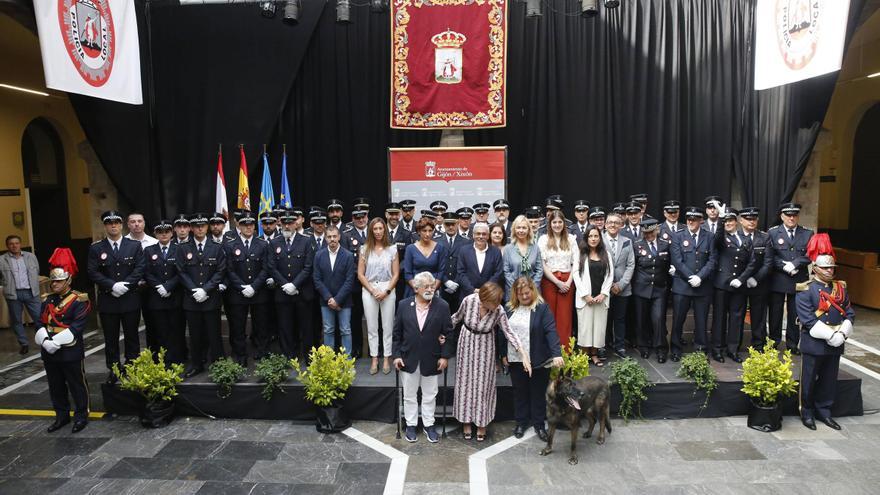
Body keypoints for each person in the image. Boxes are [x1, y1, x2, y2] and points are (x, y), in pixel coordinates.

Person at [452, 282, 530, 441]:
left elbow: (509, 332)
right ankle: (466, 421)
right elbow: (455, 318)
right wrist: (440, 333)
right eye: (494, 303)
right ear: (484, 299)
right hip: (466, 341)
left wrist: (523, 355)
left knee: (483, 384)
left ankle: (481, 423)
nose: (497, 306)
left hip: (486, 345)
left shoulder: (499, 311)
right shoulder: (469, 301)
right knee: (464, 382)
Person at [795, 246, 853, 431]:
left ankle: (824, 411)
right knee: (809, 380)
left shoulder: (840, 289)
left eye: (832, 267)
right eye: (826, 268)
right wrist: (830, 336)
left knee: (829, 380)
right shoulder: (806, 290)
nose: (830, 270)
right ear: (815, 269)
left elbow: (849, 313)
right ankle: (807, 412)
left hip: (836, 342)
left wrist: (842, 334)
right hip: (814, 343)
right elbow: (808, 320)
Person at [392, 271, 453, 443]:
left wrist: (445, 356)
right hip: (408, 357)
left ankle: (429, 424)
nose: (430, 289)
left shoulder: (442, 306)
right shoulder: (404, 305)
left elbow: (448, 333)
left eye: (432, 286)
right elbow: (397, 334)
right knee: (409, 394)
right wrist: (396, 355)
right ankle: (411, 425)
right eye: (426, 286)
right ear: (416, 288)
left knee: (430, 394)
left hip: (432, 358)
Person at [502, 276, 563, 440]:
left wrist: (556, 353)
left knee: (537, 393)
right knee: (520, 392)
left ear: (533, 291)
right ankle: (521, 423)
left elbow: (551, 331)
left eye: (527, 293)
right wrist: (503, 355)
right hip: (516, 359)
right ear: (515, 294)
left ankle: (538, 424)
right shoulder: (508, 309)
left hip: (538, 359)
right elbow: (503, 333)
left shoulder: (542, 308)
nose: (524, 297)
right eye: (520, 294)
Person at [87, 210, 145, 384]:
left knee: (132, 336)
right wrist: (111, 285)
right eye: (109, 223)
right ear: (105, 225)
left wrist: (125, 285)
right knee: (111, 338)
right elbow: (92, 271)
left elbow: (140, 268)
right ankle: (113, 368)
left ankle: (132, 365)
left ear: (121, 225)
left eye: (116, 222)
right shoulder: (96, 248)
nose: (113, 225)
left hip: (129, 298)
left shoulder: (133, 246)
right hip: (108, 299)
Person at [35, 266, 91, 433]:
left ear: (68, 281)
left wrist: (56, 342)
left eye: (59, 281)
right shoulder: (47, 300)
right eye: (53, 281)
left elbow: (77, 326)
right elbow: (40, 322)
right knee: (55, 385)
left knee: (77, 384)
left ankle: (81, 416)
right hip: (48, 349)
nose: (55, 284)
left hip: (69, 349)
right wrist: (45, 341)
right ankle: (62, 416)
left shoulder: (79, 300)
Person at [176, 213, 227, 377]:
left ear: (207, 227)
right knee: (195, 334)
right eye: (196, 226)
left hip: (211, 298)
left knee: (214, 334)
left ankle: (218, 364)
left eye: (203, 225)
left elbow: (220, 271)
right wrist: (194, 290)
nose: (199, 228)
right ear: (191, 228)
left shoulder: (217, 247)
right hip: (191, 299)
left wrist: (205, 290)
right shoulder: (183, 248)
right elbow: (181, 271)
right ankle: (196, 364)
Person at [669, 207, 717, 361]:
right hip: (682, 285)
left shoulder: (709, 236)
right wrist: (691, 277)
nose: (691, 222)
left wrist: (700, 277)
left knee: (702, 320)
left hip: (703, 286)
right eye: (689, 219)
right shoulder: (678, 236)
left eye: (694, 219)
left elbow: (712, 260)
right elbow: (677, 260)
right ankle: (676, 349)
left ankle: (701, 349)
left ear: (701, 221)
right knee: (678, 319)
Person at [223, 212, 271, 365]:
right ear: (239, 226)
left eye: (251, 224)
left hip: (259, 292)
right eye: (245, 224)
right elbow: (229, 270)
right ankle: (241, 356)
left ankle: (262, 353)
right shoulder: (230, 244)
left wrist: (254, 286)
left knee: (262, 326)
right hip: (238, 293)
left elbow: (266, 268)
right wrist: (242, 287)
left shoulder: (263, 244)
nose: (248, 227)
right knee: (238, 327)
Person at [711, 209, 757, 363]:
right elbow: (717, 238)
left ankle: (733, 349)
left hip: (739, 286)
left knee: (737, 318)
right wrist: (720, 220)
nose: (728, 224)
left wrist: (742, 279)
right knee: (720, 318)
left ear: (736, 222)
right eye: (726, 221)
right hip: (722, 284)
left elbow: (752, 263)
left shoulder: (746, 238)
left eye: (730, 221)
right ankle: (717, 349)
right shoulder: (721, 238)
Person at [269, 209, 315, 360]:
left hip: (302, 293)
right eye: (284, 223)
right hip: (283, 294)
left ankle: (308, 358)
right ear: (280, 223)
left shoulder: (307, 241)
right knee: (285, 327)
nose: (287, 226)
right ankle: (288, 357)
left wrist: (294, 285)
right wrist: (285, 285)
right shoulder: (274, 242)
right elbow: (272, 267)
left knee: (306, 327)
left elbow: (308, 267)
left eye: (290, 223)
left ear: (296, 223)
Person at [768, 202, 813, 354]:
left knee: (795, 313)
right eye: (788, 215)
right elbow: (770, 256)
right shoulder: (773, 233)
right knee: (775, 312)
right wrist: (783, 266)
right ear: (782, 216)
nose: (791, 218)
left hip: (798, 278)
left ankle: (793, 344)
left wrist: (795, 264)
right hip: (779, 278)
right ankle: (773, 342)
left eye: (794, 215)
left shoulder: (807, 233)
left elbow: (810, 255)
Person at [357, 217, 399, 374]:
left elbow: (396, 274)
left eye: (381, 228)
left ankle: (386, 358)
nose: (378, 231)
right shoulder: (364, 249)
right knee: (372, 326)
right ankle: (374, 358)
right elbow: (360, 274)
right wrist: (372, 290)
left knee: (388, 326)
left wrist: (386, 291)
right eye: (375, 229)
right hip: (369, 289)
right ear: (371, 231)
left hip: (388, 288)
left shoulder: (392, 249)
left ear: (385, 230)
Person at [142, 220, 184, 365]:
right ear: (155, 234)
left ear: (172, 233)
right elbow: (146, 272)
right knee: (160, 331)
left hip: (175, 297)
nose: (164, 234)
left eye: (166, 231)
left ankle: (177, 360)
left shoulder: (180, 249)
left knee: (176, 330)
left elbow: (182, 271)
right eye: (160, 232)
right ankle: (162, 361)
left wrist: (169, 286)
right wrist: (159, 286)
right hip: (157, 297)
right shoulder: (149, 250)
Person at [571, 225, 613, 366]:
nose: (593, 239)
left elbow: (610, 275)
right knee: (585, 328)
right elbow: (575, 274)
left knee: (598, 328)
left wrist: (603, 293)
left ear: (600, 238)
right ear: (586, 238)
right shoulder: (580, 253)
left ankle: (594, 355)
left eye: (596, 236)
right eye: (590, 236)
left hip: (601, 298)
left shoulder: (605, 253)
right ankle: (584, 356)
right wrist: (585, 295)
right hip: (585, 299)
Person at [631, 217, 671, 362]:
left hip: (659, 289)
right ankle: (643, 346)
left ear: (657, 230)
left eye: (651, 232)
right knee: (641, 319)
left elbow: (668, 266)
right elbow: (633, 267)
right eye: (646, 233)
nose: (648, 235)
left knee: (658, 319)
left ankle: (661, 349)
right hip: (641, 288)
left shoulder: (665, 245)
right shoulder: (637, 245)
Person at [538, 210, 579, 349]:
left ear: (564, 223)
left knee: (565, 317)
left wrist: (568, 282)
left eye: (559, 222)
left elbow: (576, 263)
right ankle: (550, 351)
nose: (557, 225)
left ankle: (565, 352)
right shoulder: (543, 239)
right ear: (550, 224)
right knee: (550, 317)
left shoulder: (571, 239)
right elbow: (542, 264)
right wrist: (557, 282)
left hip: (567, 281)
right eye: (554, 222)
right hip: (550, 281)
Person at [313, 225, 356, 353]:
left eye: (334, 236)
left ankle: (347, 361)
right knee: (328, 330)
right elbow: (316, 279)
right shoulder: (319, 255)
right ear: (325, 238)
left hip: (344, 301)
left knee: (345, 330)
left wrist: (337, 299)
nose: (332, 239)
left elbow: (349, 280)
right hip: (326, 301)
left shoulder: (348, 255)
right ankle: (329, 361)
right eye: (329, 237)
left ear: (339, 237)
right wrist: (329, 298)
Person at [739, 207, 774, 349]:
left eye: (754, 219)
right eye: (748, 219)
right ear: (741, 220)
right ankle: (735, 345)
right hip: (739, 283)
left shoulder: (764, 237)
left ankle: (759, 344)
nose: (751, 222)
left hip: (759, 283)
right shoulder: (735, 236)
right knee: (738, 314)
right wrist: (743, 278)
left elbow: (768, 262)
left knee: (759, 315)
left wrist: (756, 279)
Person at [0, 235, 41, 354]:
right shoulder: (2, 260)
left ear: (20, 244)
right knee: (17, 320)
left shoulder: (30, 257)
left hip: (31, 292)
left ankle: (44, 341)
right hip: (13, 294)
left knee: (39, 318)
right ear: (7, 246)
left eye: (16, 243)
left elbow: (36, 271)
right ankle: (24, 344)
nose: (14, 245)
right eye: (11, 244)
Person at [603, 213, 634, 359]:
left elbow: (630, 265)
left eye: (616, 222)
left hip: (623, 288)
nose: (613, 225)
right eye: (610, 222)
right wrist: (608, 285)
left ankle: (620, 347)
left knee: (620, 319)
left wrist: (621, 285)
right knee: (604, 319)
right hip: (604, 288)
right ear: (605, 224)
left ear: (621, 225)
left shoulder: (627, 241)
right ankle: (602, 346)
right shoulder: (598, 240)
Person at [342, 202, 371, 358]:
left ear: (367, 216)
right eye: (357, 217)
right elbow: (347, 260)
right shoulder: (346, 235)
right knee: (355, 318)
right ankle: (357, 347)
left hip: (374, 283)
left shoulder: (374, 231)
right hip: (355, 283)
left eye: (363, 216)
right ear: (352, 218)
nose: (360, 220)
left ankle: (377, 349)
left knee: (376, 317)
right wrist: (361, 275)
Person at [457, 222, 504, 298]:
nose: (481, 236)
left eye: (484, 234)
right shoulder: (464, 251)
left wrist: (486, 289)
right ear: (473, 235)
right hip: (468, 294)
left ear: (488, 236)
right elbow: (461, 273)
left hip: (489, 295)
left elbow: (498, 273)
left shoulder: (496, 252)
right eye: (478, 234)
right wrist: (472, 290)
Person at [403, 218, 447, 298]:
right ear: (419, 232)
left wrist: (432, 290)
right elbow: (408, 274)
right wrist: (418, 289)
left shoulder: (440, 248)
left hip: (434, 291)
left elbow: (441, 272)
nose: (427, 234)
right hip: (414, 291)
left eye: (430, 231)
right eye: (424, 231)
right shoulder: (410, 248)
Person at [503, 215, 542, 302]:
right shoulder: (508, 249)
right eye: (518, 227)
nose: (521, 230)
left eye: (524, 228)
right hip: (513, 292)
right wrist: (517, 288)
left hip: (533, 292)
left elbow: (539, 270)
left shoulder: (535, 248)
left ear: (529, 230)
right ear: (514, 229)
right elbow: (506, 271)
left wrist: (531, 288)